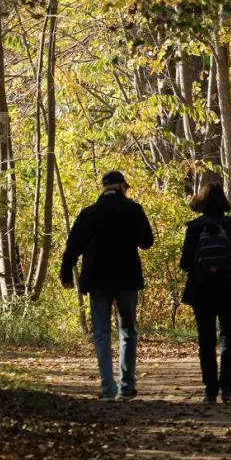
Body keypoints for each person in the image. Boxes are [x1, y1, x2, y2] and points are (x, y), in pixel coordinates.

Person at [60, 170, 155, 401]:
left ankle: (107, 389)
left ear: (104, 188)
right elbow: (147, 242)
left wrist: (66, 275)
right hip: (126, 279)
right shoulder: (133, 210)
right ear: (122, 186)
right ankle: (126, 385)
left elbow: (72, 247)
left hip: (97, 281)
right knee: (128, 332)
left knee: (101, 333)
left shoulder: (88, 214)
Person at [179, 180, 231, 403]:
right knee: (228, 336)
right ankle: (227, 389)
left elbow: (184, 264)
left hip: (201, 289)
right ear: (224, 202)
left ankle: (210, 390)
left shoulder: (194, 227)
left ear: (201, 202)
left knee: (206, 338)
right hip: (229, 287)